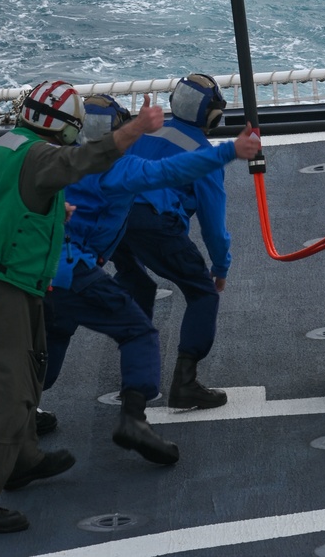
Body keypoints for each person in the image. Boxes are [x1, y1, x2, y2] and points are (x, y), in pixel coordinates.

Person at [0, 80, 166, 537]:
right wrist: (136, 130)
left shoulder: (6, 145)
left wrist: (53, 214)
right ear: (64, 127)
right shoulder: (43, 157)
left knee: (30, 370)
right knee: (10, 397)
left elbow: (9, 199)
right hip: (1, 282)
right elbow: (82, 161)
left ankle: (24, 458)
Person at [41, 95, 261, 466]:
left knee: (57, 332)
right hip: (78, 267)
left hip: (40, 267)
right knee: (143, 329)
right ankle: (143, 412)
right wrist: (230, 150)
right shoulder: (118, 168)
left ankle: (22, 414)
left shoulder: (56, 161)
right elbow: (172, 173)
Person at [112, 75, 234, 412]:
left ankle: (134, 379)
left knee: (138, 286)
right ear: (210, 116)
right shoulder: (203, 154)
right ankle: (185, 383)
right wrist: (220, 266)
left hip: (115, 218)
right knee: (201, 293)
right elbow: (213, 224)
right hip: (154, 222)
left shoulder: (147, 132)